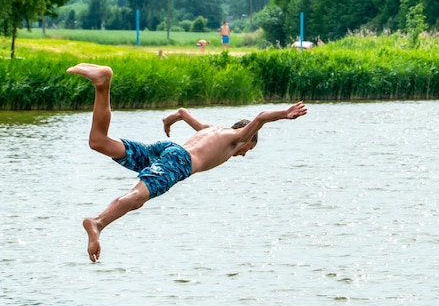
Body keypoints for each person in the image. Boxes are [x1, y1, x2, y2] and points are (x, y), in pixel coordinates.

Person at [66, 63, 307, 263]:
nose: (244, 153)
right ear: (245, 136)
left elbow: (182, 112)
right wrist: (285, 114)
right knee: (136, 197)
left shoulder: (211, 130)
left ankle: (102, 84)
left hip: (166, 150)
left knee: (99, 142)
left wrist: (169, 120)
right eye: (248, 149)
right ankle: (97, 223)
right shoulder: (236, 138)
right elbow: (261, 117)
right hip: (179, 161)